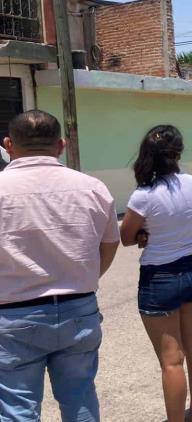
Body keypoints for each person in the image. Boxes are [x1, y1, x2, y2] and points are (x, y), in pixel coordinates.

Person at [0, 110, 119, 422]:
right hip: (79, 309)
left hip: (12, 315)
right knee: (80, 400)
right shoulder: (93, 187)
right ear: (62, 145)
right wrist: (86, 276)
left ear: (9, 144)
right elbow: (109, 244)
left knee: (17, 410)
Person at [119, 125, 192, 422]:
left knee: (171, 362)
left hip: (160, 278)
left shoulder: (144, 195)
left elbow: (127, 236)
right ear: (179, 153)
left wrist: (144, 234)